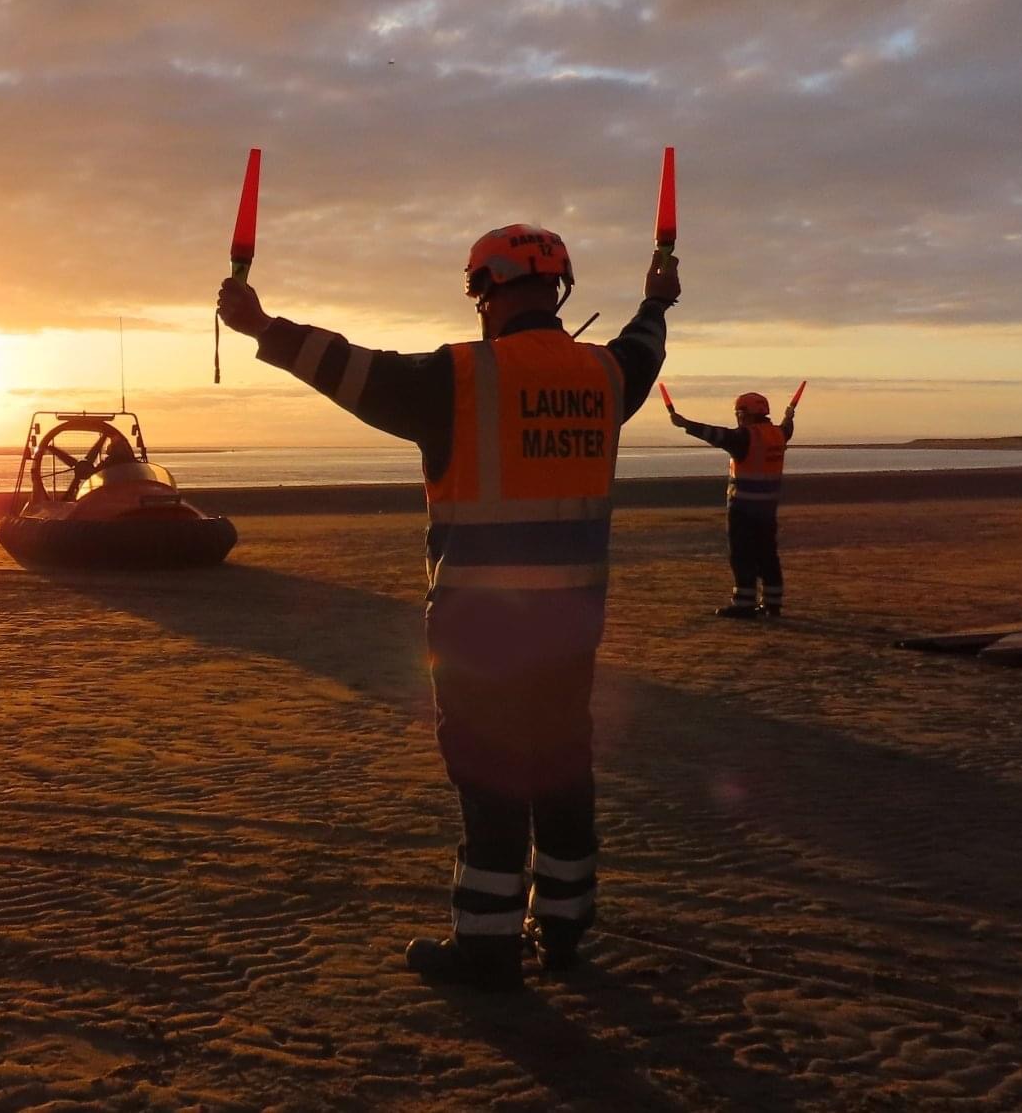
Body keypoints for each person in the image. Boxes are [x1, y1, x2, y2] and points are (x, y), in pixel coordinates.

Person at [217, 225, 677, 991]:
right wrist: (655, 298)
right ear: (558, 289)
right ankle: (563, 927)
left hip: (480, 634)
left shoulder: (460, 377)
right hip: (571, 628)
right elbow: (645, 346)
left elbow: (349, 370)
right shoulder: (605, 378)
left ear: (484, 292)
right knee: (564, 773)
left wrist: (262, 326)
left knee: (491, 785)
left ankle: (486, 948)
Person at [670, 392, 794, 618]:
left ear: (745, 414)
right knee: (768, 555)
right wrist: (789, 417)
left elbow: (716, 435)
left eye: (738, 413)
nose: (737, 418)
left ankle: (744, 604)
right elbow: (787, 428)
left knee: (742, 556)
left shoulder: (746, 437)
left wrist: (685, 424)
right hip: (767, 510)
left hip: (743, 509)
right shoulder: (778, 434)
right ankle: (773, 602)